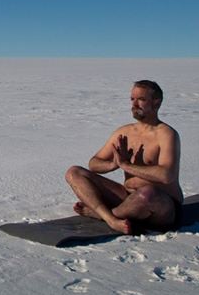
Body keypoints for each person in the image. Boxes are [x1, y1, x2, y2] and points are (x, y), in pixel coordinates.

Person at [64, 80, 183, 234]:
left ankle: (101, 214)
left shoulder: (166, 135)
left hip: (162, 206)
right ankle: (111, 219)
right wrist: (113, 164)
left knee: (147, 193)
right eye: (132, 99)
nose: (134, 104)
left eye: (141, 99)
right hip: (128, 197)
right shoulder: (124, 132)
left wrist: (126, 165)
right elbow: (94, 163)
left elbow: (167, 175)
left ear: (156, 102)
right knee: (74, 172)